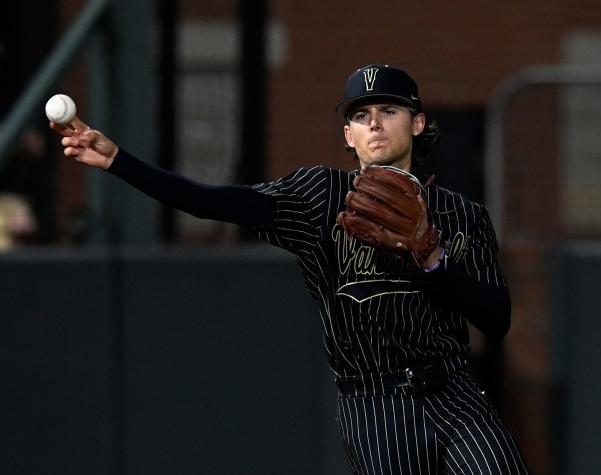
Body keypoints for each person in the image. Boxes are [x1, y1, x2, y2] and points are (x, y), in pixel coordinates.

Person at [52, 63, 528, 474]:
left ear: (418, 122)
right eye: (361, 116)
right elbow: (212, 202)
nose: (375, 124)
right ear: (348, 135)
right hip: (377, 404)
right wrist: (119, 161)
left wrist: (433, 261)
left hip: (456, 393)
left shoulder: (462, 215)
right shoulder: (319, 196)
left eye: (389, 111)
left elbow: (497, 319)